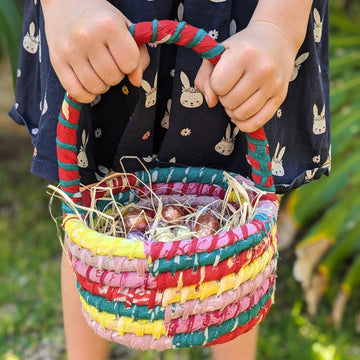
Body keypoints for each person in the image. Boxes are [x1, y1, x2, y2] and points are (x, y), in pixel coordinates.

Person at [10, 0, 330, 359]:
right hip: (97, 12)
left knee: (240, 207)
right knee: (91, 209)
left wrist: (278, 24)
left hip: (249, 16)